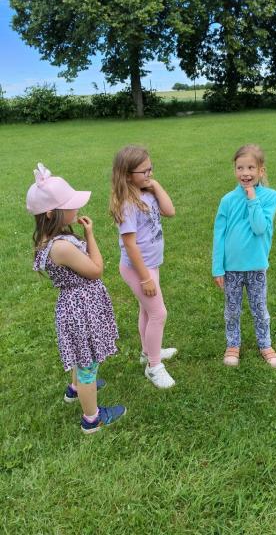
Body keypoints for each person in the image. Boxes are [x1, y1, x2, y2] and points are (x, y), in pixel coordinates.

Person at [26, 163, 126, 434]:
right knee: (87, 365)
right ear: (51, 213)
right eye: (70, 205)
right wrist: (90, 235)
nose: (77, 208)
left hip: (75, 306)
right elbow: (96, 269)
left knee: (82, 354)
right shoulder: (61, 247)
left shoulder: (50, 238)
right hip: (82, 308)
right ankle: (92, 419)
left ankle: (75, 388)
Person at [110, 145, 177, 389]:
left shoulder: (146, 193)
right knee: (159, 313)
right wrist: (146, 278)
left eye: (151, 169)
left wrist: (155, 185)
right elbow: (130, 245)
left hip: (150, 264)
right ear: (127, 175)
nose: (150, 174)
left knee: (147, 311)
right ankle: (153, 367)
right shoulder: (127, 204)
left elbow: (170, 211)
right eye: (144, 172)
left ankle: (148, 352)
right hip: (138, 268)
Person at [212, 144, 276, 368]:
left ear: (261, 170)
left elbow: (260, 227)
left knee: (259, 308)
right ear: (235, 170)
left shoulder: (270, 197)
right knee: (232, 310)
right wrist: (217, 267)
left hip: (256, 265)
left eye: (251, 167)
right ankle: (233, 344)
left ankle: (265, 344)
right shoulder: (227, 200)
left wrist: (252, 198)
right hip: (231, 267)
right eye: (240, 168)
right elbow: (219, 235)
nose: (245, 173)